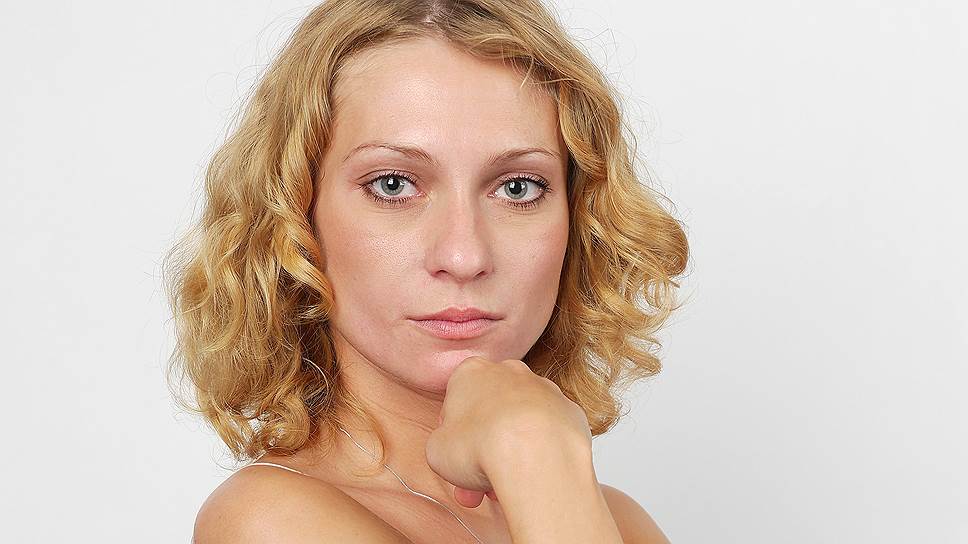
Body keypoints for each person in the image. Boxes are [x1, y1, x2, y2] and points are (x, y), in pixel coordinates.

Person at [163, 1, 688, 542]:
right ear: (296, 216)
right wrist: (534, 447)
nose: (464, 256)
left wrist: (544, 472)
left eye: (518, 188)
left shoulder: (613, 518)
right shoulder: (268, 520)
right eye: (392, 184)